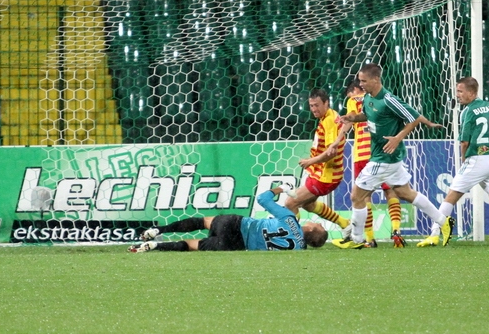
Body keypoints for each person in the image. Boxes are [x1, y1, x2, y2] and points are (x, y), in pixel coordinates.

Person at [336, 63, 454, 249]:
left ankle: (356, 239)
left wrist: (398, 138)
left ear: (376, 79)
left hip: (384, 157)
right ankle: (443, 221)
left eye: (364, 81)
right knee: (405, 192)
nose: (361, 84)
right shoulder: (368, 97)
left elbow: (414, 117)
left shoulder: (389, 99)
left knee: (356, 196)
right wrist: (352, 118)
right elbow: (367, 115)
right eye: (360, 80)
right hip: (386, 156)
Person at [128, 186, 328, 252]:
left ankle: (159, 230)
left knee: (201, 222)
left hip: (236, 225)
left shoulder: (290, 219)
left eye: (317, 224)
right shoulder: (298, 249)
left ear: (311, 230)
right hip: (236, 245)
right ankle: (155, 246)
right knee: (190, 245)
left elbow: (262, 199)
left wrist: (281, 188)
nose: (315, 221)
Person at [418, 77, 489, 246]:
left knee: (452, 196)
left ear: (472, 93)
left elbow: (464, 142)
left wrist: (463, 159)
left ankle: (434, 233)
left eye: (460, 91)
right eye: (457, 91)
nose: (457, 95)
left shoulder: (468, 111)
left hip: (477, 159)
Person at [331, 79, 406, 247]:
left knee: (364, 196)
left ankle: (370, 239)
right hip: (382, 151)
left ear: (354, 90)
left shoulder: (353, 100)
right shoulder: (378, 99)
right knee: (391, 191)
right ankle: (396, 231)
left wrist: (336, 141)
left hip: (362, 154)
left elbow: (349, 121)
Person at [283, 88, 350, 230]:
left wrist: (310, 162)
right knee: (308, 204)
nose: (314, 109)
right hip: (322, 173)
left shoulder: (329, 121)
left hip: (326, 177)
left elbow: (331, 153)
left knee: (290, 203)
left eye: (317, 105)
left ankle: (295, 236)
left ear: (326, 103)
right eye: (311, 105)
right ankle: (345, 224)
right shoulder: (329, 116)